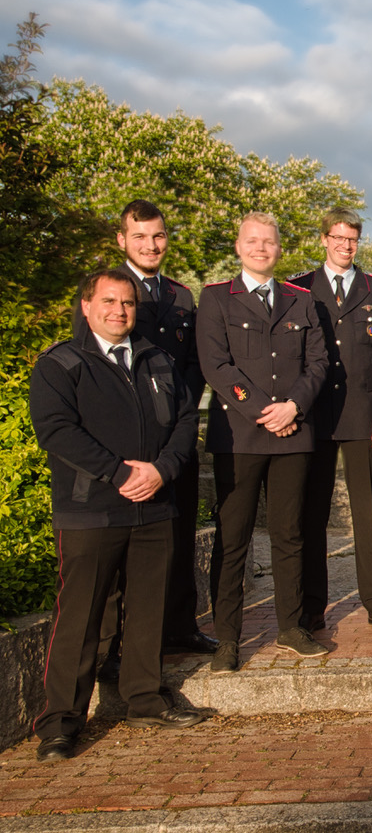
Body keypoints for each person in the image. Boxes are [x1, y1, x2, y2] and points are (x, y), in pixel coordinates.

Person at [30, 270, 205, 762]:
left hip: (154, 505)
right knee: (81, 618)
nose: (119, 311)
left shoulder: (159, 361)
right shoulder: (60, 363)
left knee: (149, 609)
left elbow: (186, 421)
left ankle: (144, 699)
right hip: (90, 511)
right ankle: (61, 722)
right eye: (108, 301)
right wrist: (117, 473)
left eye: (127, 303)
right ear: (87, 306)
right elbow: (55, 429)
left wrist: (162, 470)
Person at [73, 201, 215, 685]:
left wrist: (178, 411)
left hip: (173, 441)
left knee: (175, 538)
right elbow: (88, 368)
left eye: (157, 237)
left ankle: (178, 627)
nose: (150, 246)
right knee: (118, 556)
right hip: (122, 451)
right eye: (140, 237)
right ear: (122, 240)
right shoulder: (107, 292)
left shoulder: (179, 296)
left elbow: (195, 364)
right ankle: (113, 650)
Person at [197, 212, 329, 673]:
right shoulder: (216, 299)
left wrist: (293, 406)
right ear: (238, 246)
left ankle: (291, 627)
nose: (260, 248)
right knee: (233, 540)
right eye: (252, 242)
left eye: (268, 242)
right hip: (239, 437)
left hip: (294, 434)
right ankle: (228, 638)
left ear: (279, 248)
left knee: (289, 535)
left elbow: (318, 363)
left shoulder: (301, 300)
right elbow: (217, 365)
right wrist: (262, 410)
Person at [288, 209, 372, 634]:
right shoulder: (298, 288)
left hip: (364, 414)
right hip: (313, 414)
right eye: (338, 238)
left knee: (370, 512)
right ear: (324, 240)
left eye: (352, 239)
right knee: (312, 513)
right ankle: (312, 605)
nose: (345, 245)